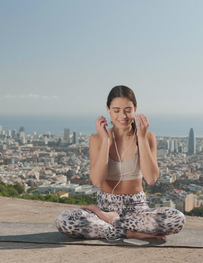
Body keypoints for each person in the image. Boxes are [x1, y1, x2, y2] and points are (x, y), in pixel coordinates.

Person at [55, 85, 185, 240]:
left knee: (177, 219)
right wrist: (105, 141)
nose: (123, 116)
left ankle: (112, 222)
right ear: (108, 109)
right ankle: (132, 233)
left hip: (137, 207)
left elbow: (151, 179)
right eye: (116, 110)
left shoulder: (148, 137)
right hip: (105, 204)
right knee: (64, 220)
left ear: (135, 109)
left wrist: (142, 138)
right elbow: (96, 182)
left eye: (128, 110)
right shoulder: (97, 139)